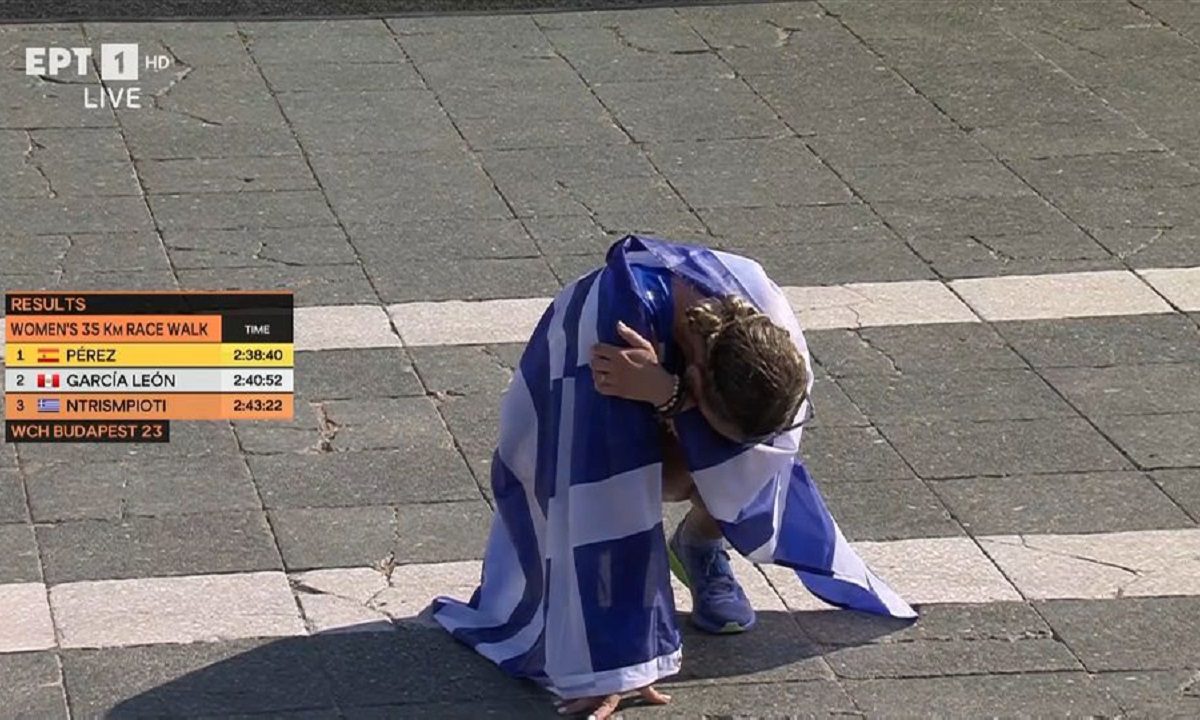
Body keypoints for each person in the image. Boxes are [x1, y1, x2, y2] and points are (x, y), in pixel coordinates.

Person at [433, 236, 915, 719]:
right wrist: (617, 664)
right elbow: (599, 500)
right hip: (565, 415)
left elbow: (764, 461)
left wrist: (669, 395)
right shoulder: (612, 325)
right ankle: (674, 543)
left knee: (744, 463)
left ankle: (699, 545)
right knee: (649, 471)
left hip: (669, 391)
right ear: (700, 381)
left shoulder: (774, 332)